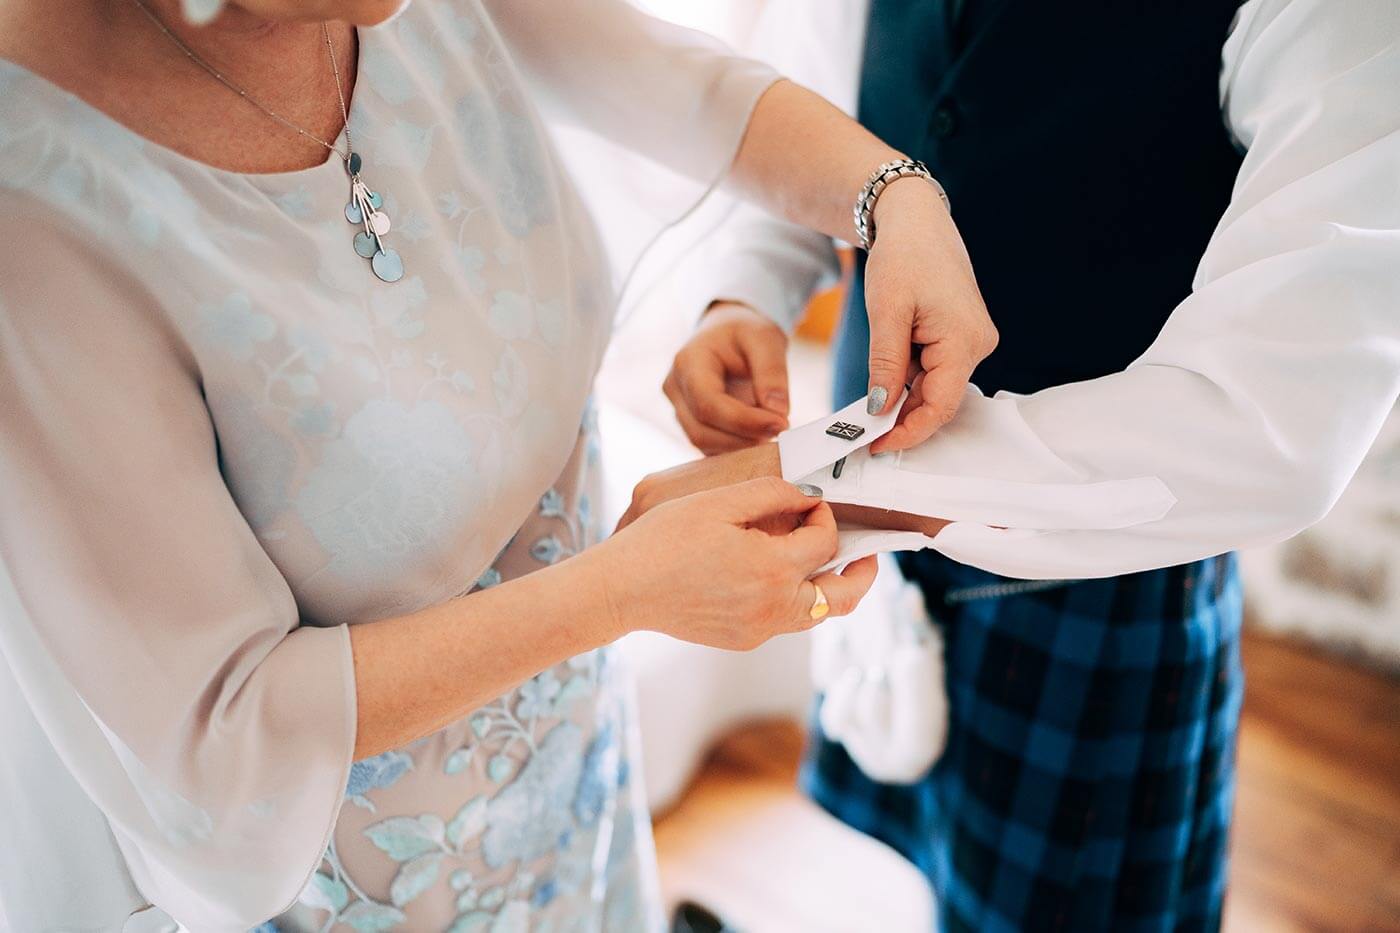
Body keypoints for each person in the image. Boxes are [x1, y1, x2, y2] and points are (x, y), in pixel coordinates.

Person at [0, 0, 986, 929]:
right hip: (356, 876)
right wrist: (620, 591)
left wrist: (896, 201)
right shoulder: (33, 216)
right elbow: (223, 724)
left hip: (566, 749)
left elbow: (688, 90)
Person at [642, 0, 1400, 929]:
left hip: (1107, 569)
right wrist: (745, 296)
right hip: (873, 542)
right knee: (921, 840)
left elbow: (1281, 416)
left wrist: (840, 483)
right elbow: (818, 122)